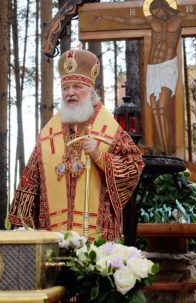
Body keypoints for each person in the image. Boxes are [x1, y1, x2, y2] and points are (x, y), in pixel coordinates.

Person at [9, 49, 144, 241]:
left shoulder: (110, 129)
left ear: (90, 91)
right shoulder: (48, 133)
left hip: (98, 238)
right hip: (53, 237)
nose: (70, 93)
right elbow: (31, 180)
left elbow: (134, 165)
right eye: (66, 88)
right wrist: (21, 224)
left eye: (77, 86)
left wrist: (100, 156)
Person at [95, 0, 196, 154]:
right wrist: (103, 16)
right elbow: (128, 21)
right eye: (154, 12)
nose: (157, 14)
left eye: (158, 10)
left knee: (163, 104)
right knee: (154, 104)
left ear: (165, 7)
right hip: (153, 68)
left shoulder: (178, 19)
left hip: (168, 66)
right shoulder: (151, 21)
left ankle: (167, 150)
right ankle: (160, 149)